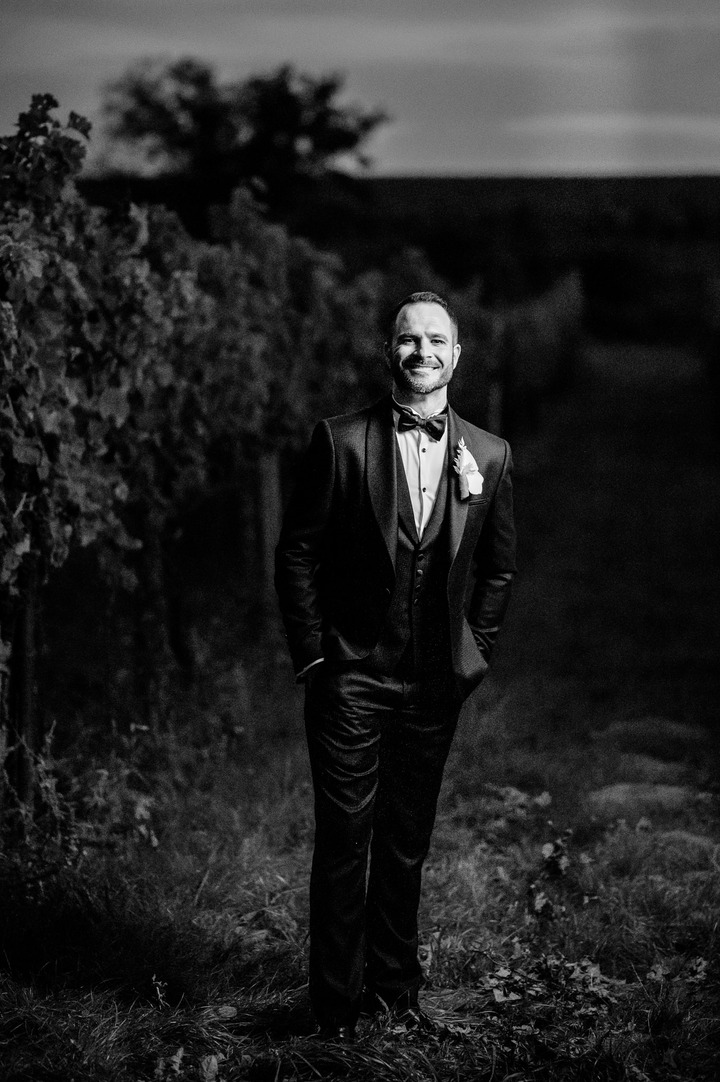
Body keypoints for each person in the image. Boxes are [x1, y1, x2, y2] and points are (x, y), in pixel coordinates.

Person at [275, 291, 516, 1040]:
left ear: (456, 353)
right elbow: (298, 552)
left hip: (433, 683)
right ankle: (335, 1007)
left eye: (435, 340)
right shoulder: (342, 440)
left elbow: (499, 571)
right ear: (390, 351)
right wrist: (316, 654)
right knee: (345, 839)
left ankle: (394, 993)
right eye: (408, 340)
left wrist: (470, 655)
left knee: (406, 839)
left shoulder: (491, 453)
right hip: (350, 674)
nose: (422, 353)